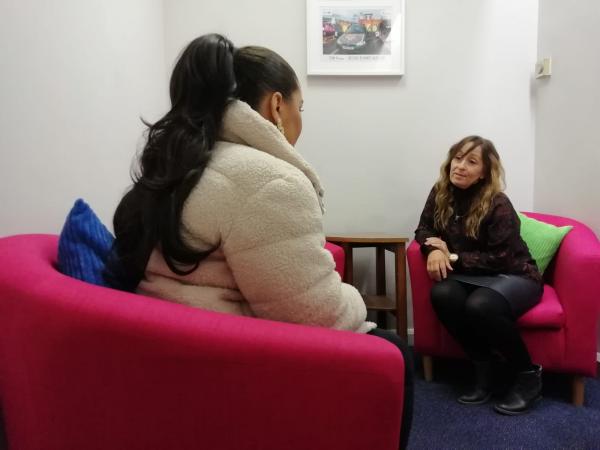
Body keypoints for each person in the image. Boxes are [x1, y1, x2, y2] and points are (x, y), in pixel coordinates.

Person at [107, 34, 413, 447]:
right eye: (300, 107)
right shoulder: (268, 180)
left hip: (170, 345)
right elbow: (315, 314)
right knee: (394, 351)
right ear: (276, 106)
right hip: (228, 360)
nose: (301, 119)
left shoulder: (185, 160)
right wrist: (355, 296)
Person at [414, 135, 543, 415]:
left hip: (516, 275)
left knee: (481, 305)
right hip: (473, 276)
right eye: (458, 158)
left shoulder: (498, 203)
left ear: (484, 172)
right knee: (442, 294)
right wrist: (432, 250)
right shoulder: (441, 192)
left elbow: (501, 258)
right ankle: (486, 369)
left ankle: (528, 376)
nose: (460, 166)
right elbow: (424, 229)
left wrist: (452, 257)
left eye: (471, 161)